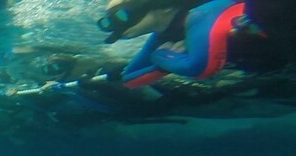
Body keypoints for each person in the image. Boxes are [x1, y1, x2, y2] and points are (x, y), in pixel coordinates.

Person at [98, 0, 296, 87]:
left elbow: (199, 68)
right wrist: (165, 58)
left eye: (122, 14)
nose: (117, 25)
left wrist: (162, 57)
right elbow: (131, 79)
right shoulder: (163, 35)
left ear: (163, 7)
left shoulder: (203, 14)